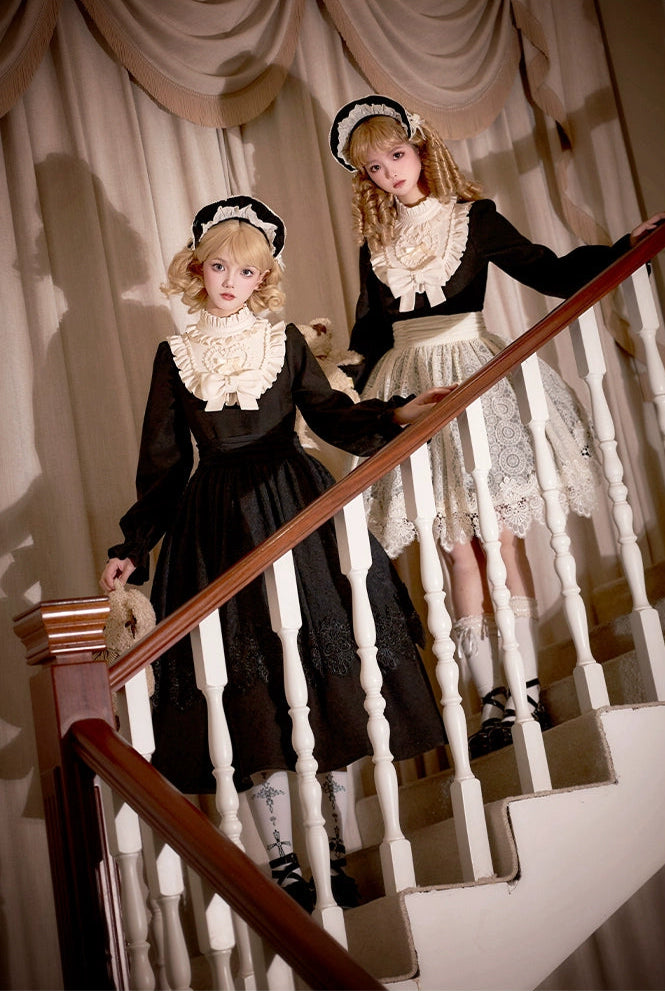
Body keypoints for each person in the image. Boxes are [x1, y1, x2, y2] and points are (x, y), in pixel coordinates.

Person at [100, 195, 452, 911]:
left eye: (246, 271)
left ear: (263, 278)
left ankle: (337, 849)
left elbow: (330, 416)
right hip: (216, 529)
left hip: (297, 510)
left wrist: (393, 412)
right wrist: (134, 545)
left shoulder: (284, 343)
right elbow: (163, 465)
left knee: (325, 679)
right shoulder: (175, 355)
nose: (231, 281)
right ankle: (284, 861)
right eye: (219, 267)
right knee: (247, 687)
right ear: (197, 270)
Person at [329, 94, 665, 759]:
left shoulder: (471, 218)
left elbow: (546, 269)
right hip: (412, 388)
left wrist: (621, 250)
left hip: (474, 377)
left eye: (395, 155)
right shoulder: (376, 245)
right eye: (374, 167)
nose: (390, 172)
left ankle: (526, 687)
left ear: (419, 148)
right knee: (455, 548)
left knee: (500, 538)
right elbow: (370, 334)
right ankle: (493, 701)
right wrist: (338, 378)